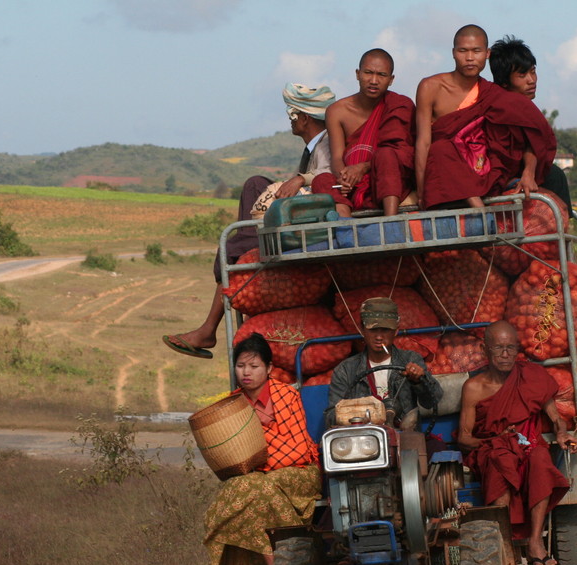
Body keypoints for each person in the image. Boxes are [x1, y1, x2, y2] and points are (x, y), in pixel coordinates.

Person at [163, 83, 336, 359]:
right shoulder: (312, 148)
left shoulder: (327, 143)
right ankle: (246, 248)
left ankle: (211, 322)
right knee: (255, 184)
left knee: (234, 249)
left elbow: (332, 177)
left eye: (292, 115)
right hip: (299, 212)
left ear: (303, 118)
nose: (290, 121)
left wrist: (302, 178)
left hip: (309, 221)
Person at [457, 321, 577, 565]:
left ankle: (535, 541)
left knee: (540, 460)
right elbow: (465, 439)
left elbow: (555, 416)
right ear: (484, 349)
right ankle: (504, 541)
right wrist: (495, 439)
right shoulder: (474, 388)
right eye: (499, 348)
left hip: (529, 444)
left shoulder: (531, 377)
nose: (505, 355)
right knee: (501, 459)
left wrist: (562, 433)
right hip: (492, 447)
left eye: (511, 348)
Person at [204, 333, 322, 565]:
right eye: (240, 366)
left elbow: (298, 451)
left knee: (254, 486)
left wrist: (257, 457)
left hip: (300, 474)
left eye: (254, 366)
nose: (246, 372)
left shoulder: (287, 396)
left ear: (268, 369)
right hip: (259, 481)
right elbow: (230, 456)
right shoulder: (232, 404)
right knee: (240, 489)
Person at [414, 25, 556, 211]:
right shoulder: (430, 87)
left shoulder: (494, 95)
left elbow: (529, 135)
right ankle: (481, 212)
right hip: (446, 167)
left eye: (477, 51)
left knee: (555, 176)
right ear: (453, 53)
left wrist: (528, 172)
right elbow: (423, 142)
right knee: (442, 148)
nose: (470, 58)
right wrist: (421, 190)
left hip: (484, 168)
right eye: (463, 51)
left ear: (487, 53)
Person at [310, 48, 416, 217]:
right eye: (368, 73)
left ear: (391, 80)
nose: (374, 80)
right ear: (357, 74)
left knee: (387, 155)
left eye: (381, 75)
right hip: (352, 184)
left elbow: (402, 152)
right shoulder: (337, 111)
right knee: (321, 180)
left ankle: (391, 222)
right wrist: (344, 178)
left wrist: (363, 167)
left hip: (387, 179)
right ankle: (345, 227)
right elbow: (337, 157)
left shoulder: (400, 105)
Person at [488, 35, 573, 216]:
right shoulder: (498, 103)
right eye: (522, 75)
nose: (531, 80)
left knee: (555, 174)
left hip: (519, 171)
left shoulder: (522, 107)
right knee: (555, 176)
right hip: (495, 175)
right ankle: (564, 230)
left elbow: (532, 142)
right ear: (504, 82)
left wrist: (529, 172)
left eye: (533, 72)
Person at [325, 297, 442, 428]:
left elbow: (432, 401)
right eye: (373, 330)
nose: (379, 337)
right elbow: (331, 417)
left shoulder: (411, 360)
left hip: (405, 436)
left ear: (396, 330)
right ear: (362, 330)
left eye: (385, 330)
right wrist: (361, 414)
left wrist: (419, 381)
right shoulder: (346, 370)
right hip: (364, 441)